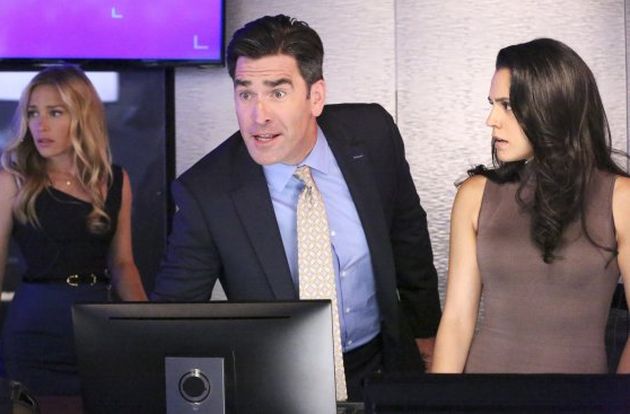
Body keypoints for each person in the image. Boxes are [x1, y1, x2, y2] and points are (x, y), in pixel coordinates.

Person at [151, 14, 441, 400]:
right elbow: (173, 319)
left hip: (383, 364)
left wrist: (427, 334)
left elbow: (409, 238)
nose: (258, 116)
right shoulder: (206, 191)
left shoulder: (373, 134)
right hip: (276, 384)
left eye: (277, 93)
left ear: (315, 97)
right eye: (245, 94)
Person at [432, 38, 630, 373]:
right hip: (483, 392)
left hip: (584, 397)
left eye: (507, 105)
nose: (491, 119)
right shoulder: (475, 195)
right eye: (492, 104)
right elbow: (457, 320)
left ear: (552, 106)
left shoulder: (620, 199)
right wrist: (437, 399)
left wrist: (619, 396)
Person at [0, 65, 148, 395]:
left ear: (82, 117)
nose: (40, 125)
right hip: (34, 328)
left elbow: (123, 264)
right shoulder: (13, 181)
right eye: (33, 113)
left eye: (55, 112)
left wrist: (150, 328)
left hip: (96, 325)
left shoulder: (114, 180)